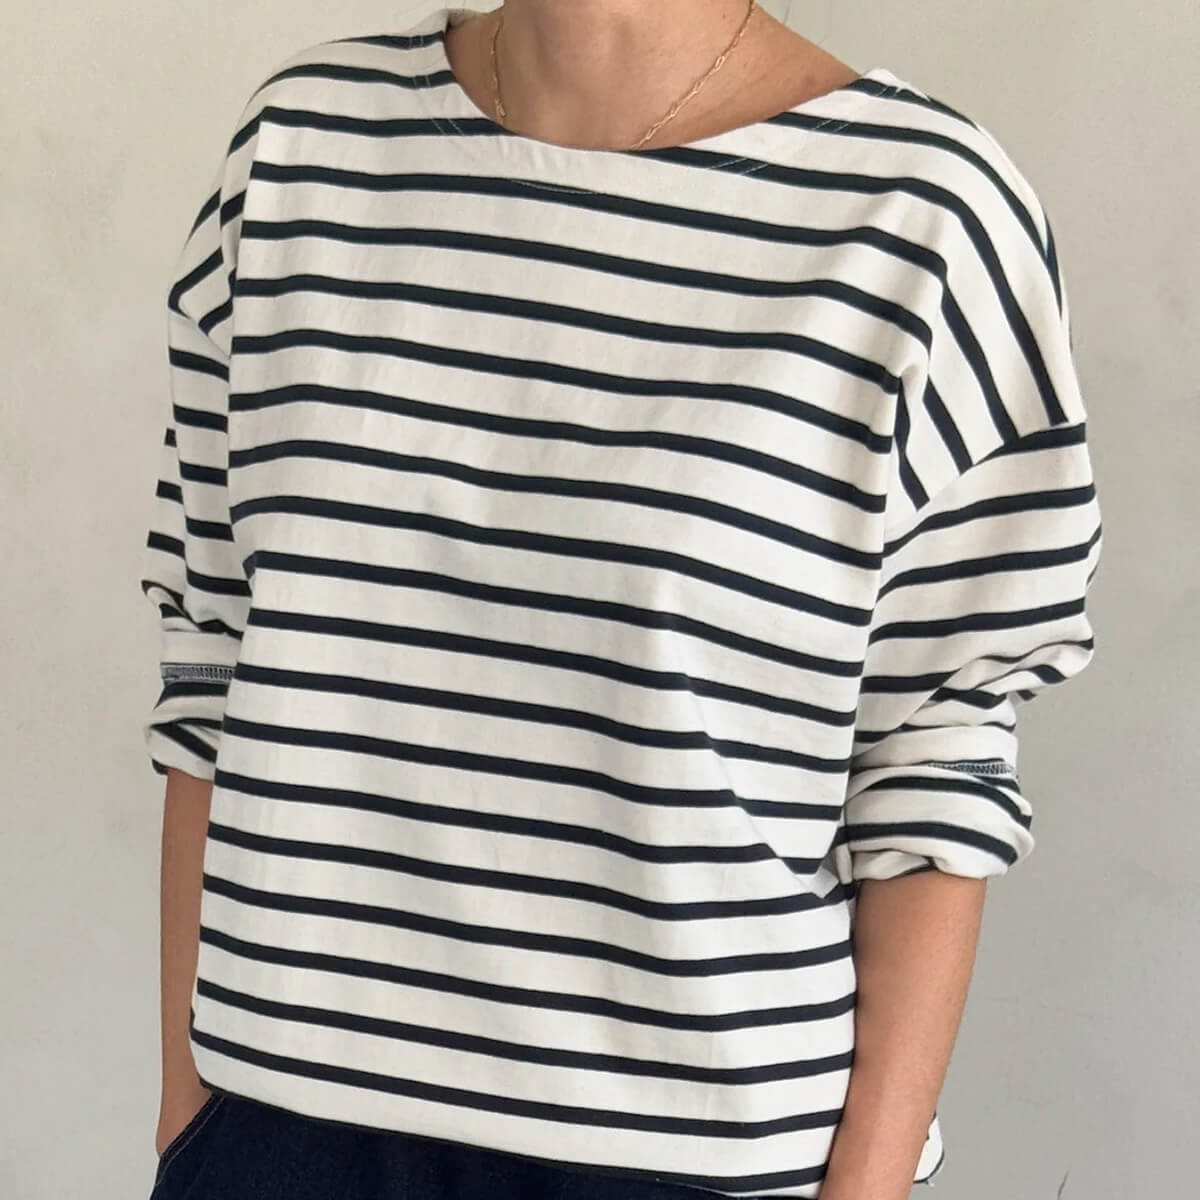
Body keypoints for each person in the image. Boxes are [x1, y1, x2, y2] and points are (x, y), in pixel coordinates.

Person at [139, 3, 1102, 1199]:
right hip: (279, 1131)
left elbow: (934, 760)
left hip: (685, 1163)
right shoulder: (304, 148)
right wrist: (189, 1116)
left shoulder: (922, 218)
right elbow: (213, 655)